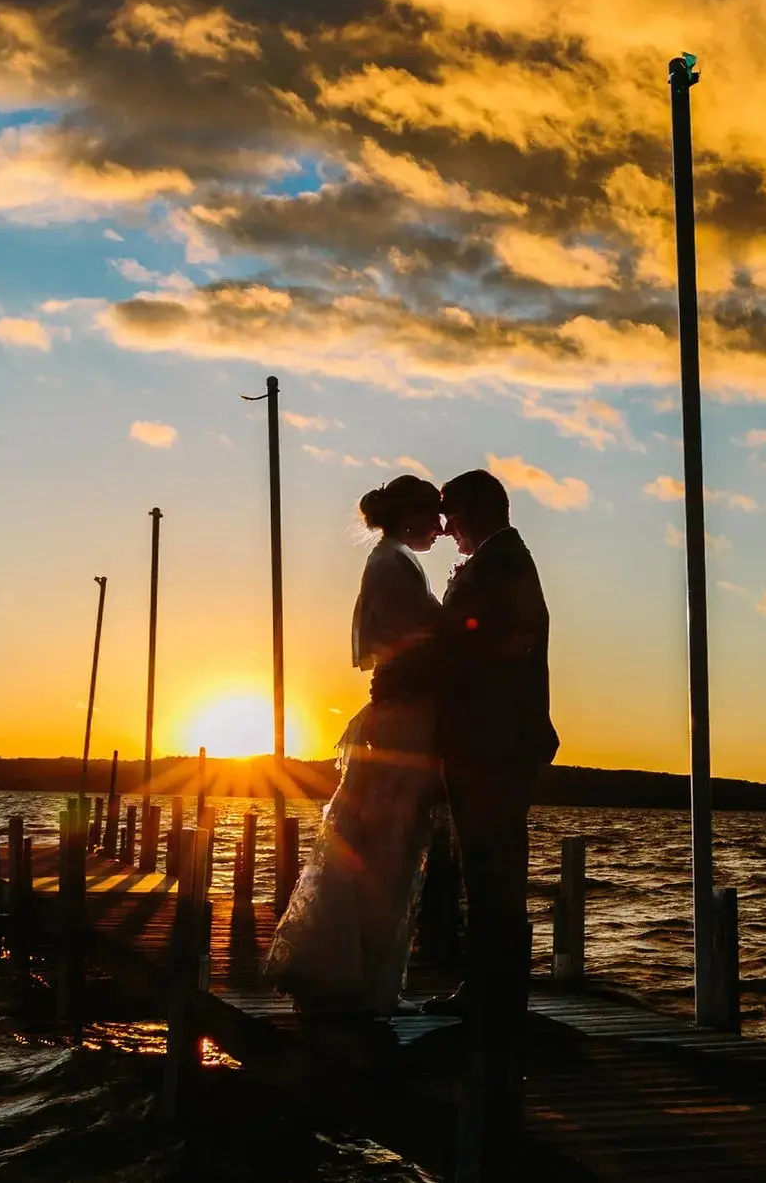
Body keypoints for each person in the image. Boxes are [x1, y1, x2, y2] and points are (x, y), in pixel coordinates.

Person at [371, 467, 556, 1165]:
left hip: (496, 744)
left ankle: (497, 1002)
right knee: (487, 870)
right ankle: (488, 989)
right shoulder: (495, 561)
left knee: (496, 867)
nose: (443, 525)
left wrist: (401, 676)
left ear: (479, 510)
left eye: (450, 512)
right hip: (484, 742)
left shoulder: (503, 564)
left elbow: (475, 647)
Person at [262, 474, 446, 1014]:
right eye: (433, 515)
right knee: (385, 845)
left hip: (402, 715)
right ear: (410, 515)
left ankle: (357, 969)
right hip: (403, 722)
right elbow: (410, 647)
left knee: (382, 842)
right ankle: (352, 974)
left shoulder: (393, 560)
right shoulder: (393, 564)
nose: (439, 527)